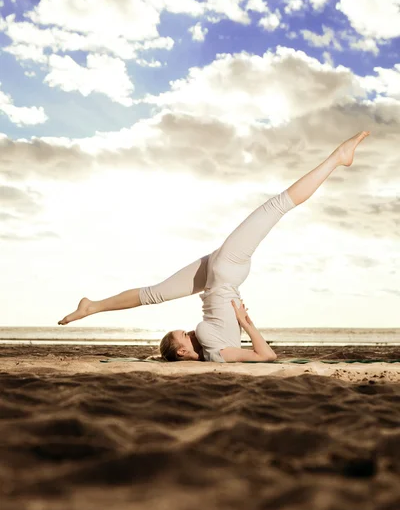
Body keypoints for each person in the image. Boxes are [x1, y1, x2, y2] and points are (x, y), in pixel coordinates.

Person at [58, 131, 370, 363]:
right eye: (183, 335)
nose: (188, 332)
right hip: (225, 272)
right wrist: (247, 324)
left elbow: (261, 354)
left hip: (218, 277)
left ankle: (93, 306)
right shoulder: (216, 354)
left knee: (153, 294)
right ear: (182, 351)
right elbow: (267, 357)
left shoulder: (207, 350)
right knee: (277, 205)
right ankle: (336, 158)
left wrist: (246, 324)